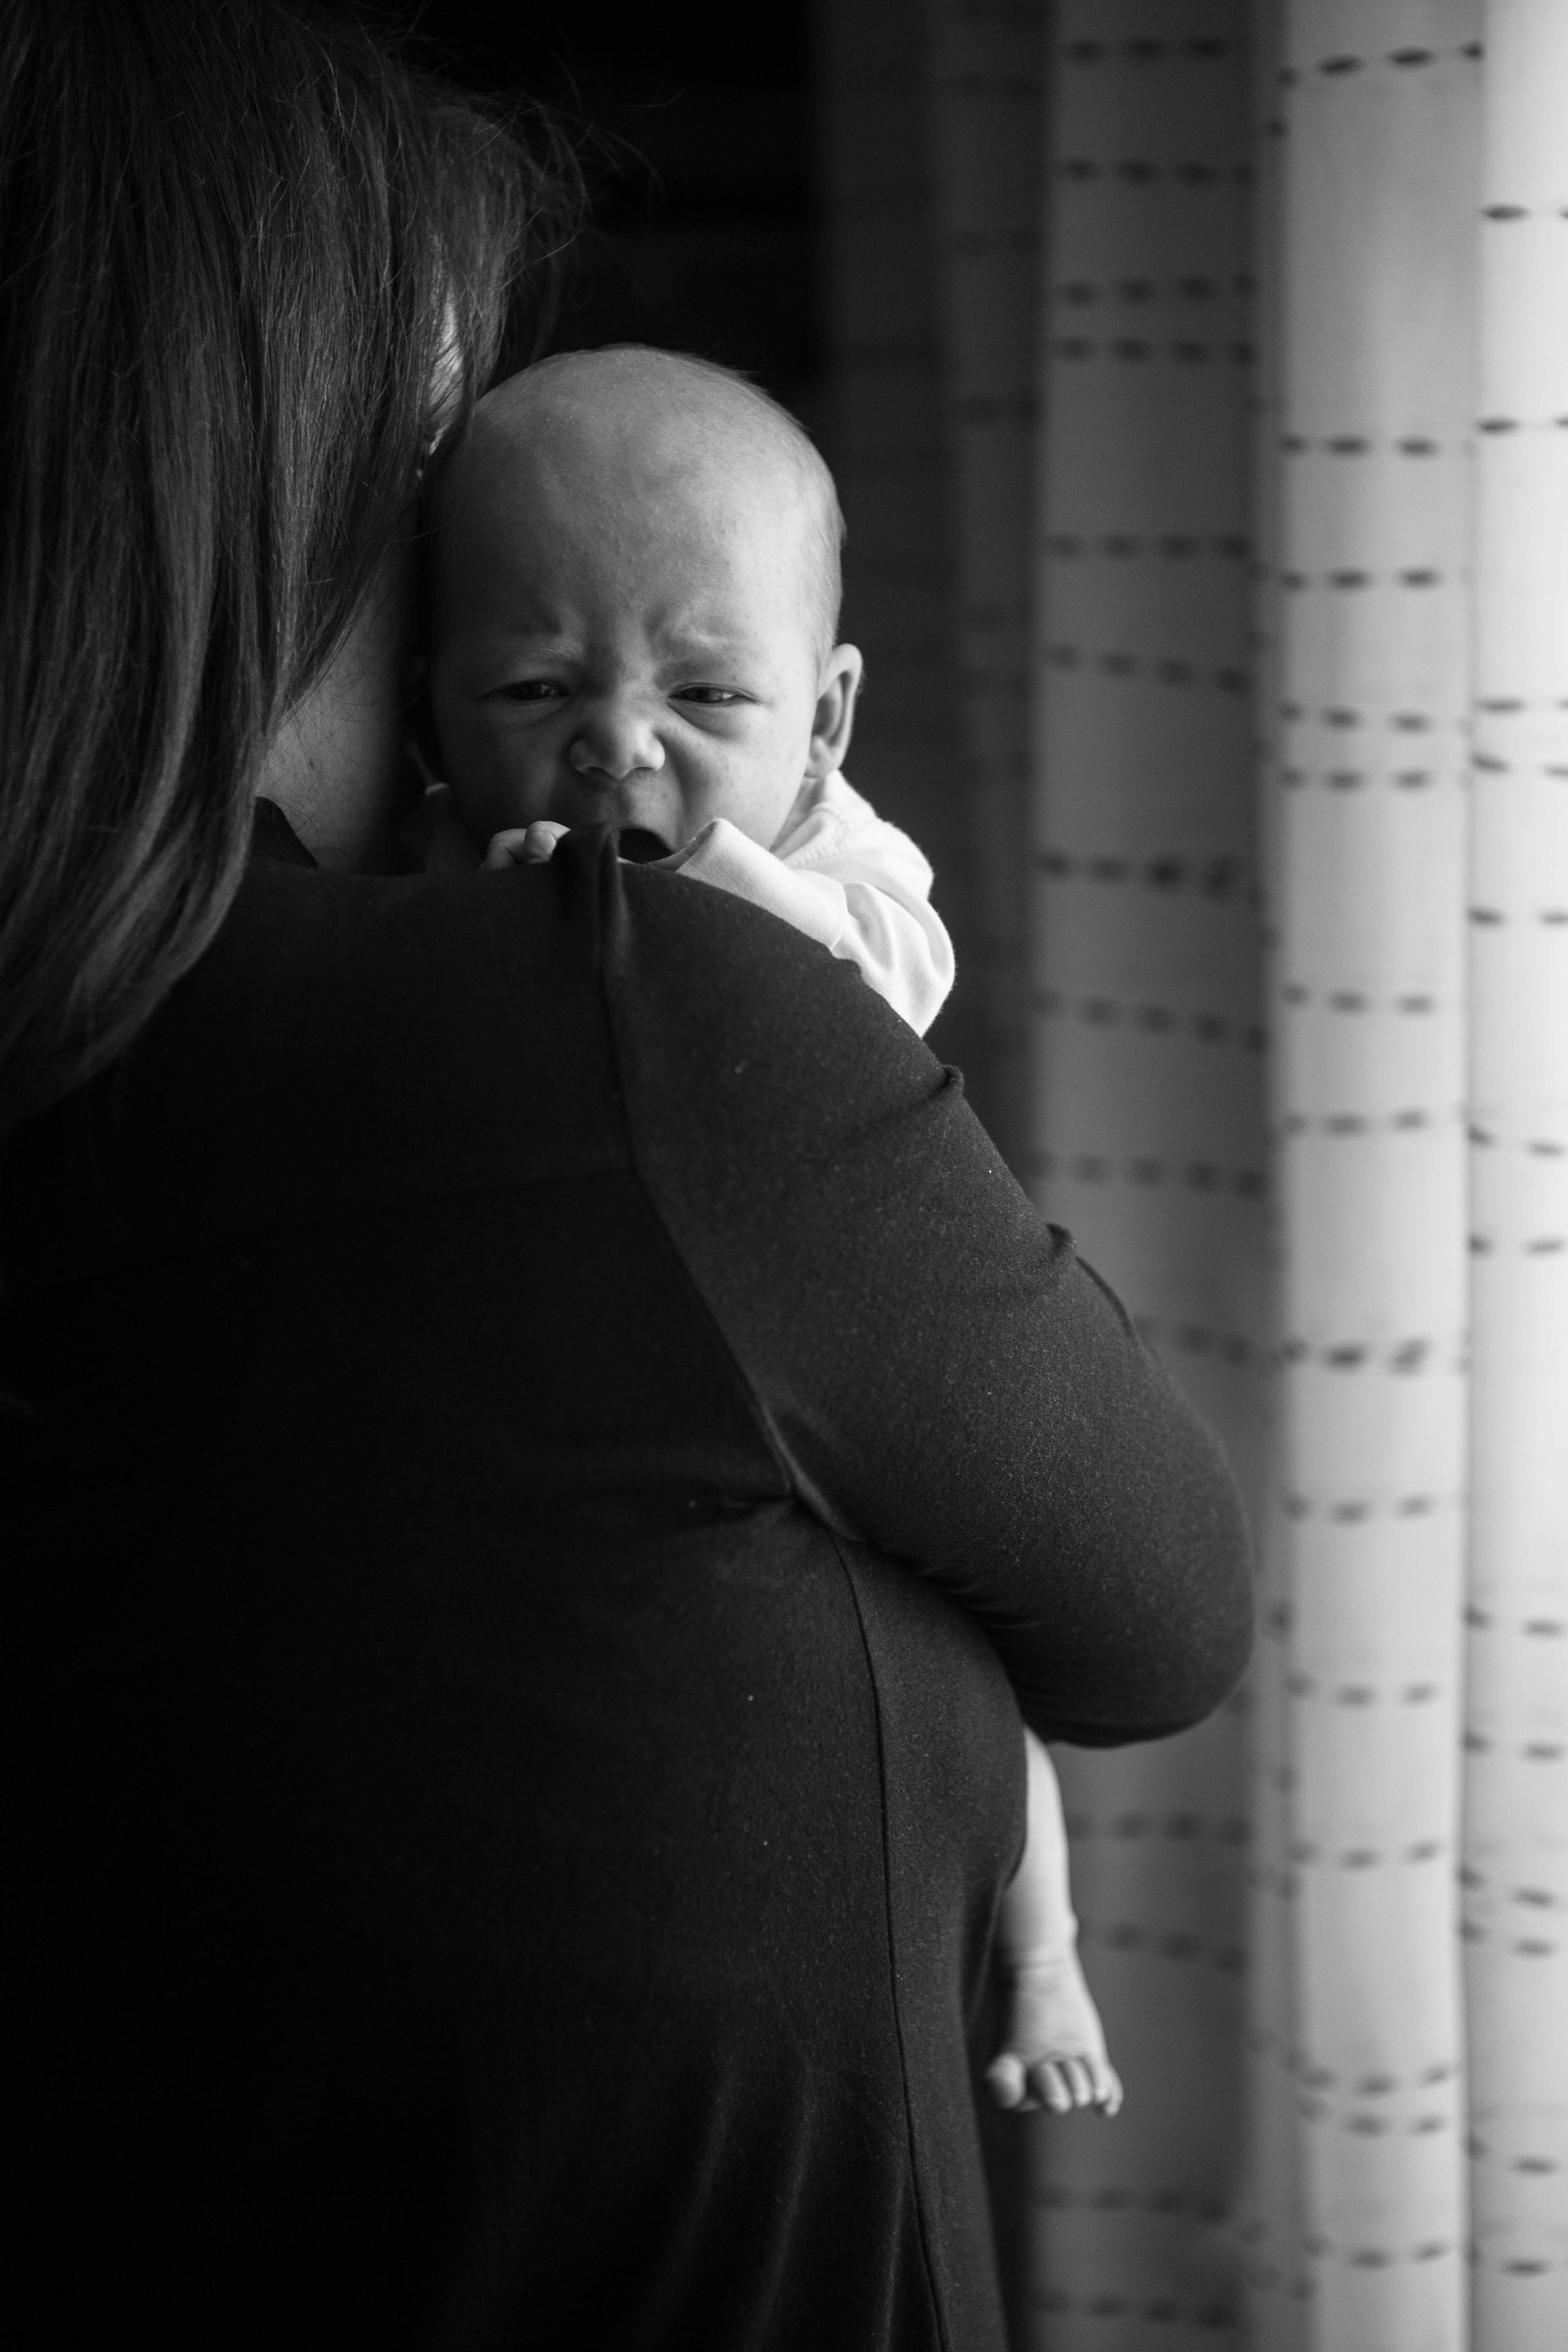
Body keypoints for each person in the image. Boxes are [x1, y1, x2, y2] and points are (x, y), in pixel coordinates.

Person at [2, 7, 1252, 2349]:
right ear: (274, 528)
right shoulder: (609, 1017)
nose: (616, 752)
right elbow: (1166, 1607)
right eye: (438, 501)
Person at [416, 344, 1120, 2117]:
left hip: (862, 1384)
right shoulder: (429, 870)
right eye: (533, 683)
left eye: (707, 695)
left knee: (980, 1663)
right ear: (429, 700)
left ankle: (1044, 1960)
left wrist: (682, 897)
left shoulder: (847, 867)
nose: (619, 743)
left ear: (825, 718)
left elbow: (866, 1003)